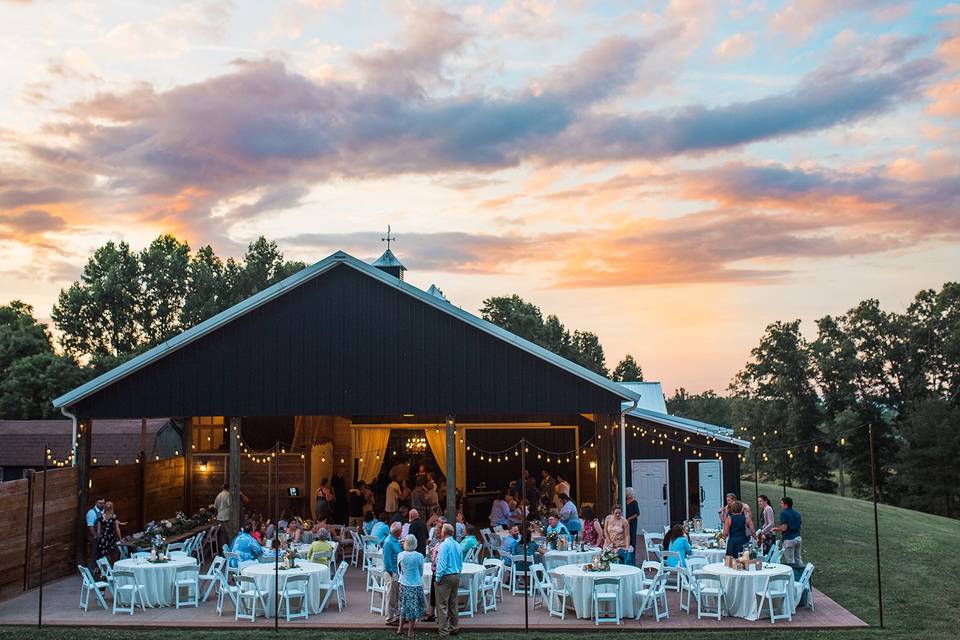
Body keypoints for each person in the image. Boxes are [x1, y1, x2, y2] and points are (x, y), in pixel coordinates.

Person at [434, 523, 462, 637]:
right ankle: (454, 627)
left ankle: (444, 631)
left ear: (443, 533)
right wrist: (458, 572)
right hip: (456, 575)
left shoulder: (444, 545)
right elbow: (461, 562)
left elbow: (442, 563)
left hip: (446, 576)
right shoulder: (457, 544)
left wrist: (437, 578)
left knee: (441, 605)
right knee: (453, 603)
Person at [397, 534, 425, 638]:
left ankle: (400, 628)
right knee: (413, 609)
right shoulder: (419, 556)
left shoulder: (400, 555)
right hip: (415, 584)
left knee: (403, 606)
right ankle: (410, 631)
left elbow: (400, 570)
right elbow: (421, 571)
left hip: (404, 583)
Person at [382, 522, 403, 625]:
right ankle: (389, 618)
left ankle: (395, 615)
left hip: (397, 571)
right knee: (391, 595)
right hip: (392, 572)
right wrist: (392, 573)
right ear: (398, 532)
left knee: (396, 594)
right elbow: (387, 561)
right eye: (401, 529)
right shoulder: (389, 542)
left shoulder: (396, 540)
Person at [775, 496, 803, 565]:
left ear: (786, 504)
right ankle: (802, 574)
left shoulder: (784, 513)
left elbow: (784, 528)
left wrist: (776, 529)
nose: (780, 504)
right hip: (798, 538)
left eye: (781, 503)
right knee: (798, 559)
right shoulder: (797, 514)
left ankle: (793, 575)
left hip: (789, 539)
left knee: (790, 561)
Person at [85, 497, 105, 569]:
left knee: (102, 554)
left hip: (103, 536)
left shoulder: (104, 511)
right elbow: (90, 525)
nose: (102, 505)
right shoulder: (91, 512)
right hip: (95, 536)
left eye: (103, 503)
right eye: (100, 503)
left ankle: (102, 570)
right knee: (94, 554)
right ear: (96, 503)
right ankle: (94, 570)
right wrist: (95, 536)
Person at [214, 484, 233, 548]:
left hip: (219, 517)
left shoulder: (219, 495)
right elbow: (230, 505)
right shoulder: (228, 494)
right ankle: (229, 549)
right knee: (229, 534)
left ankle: (222, 550)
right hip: (226, 517)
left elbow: (215, 506)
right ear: (228, 488)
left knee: (222, 535)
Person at [625, 488, 640, 560]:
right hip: (625, 522)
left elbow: (637, 513)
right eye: (627, 494)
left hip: (632, 522)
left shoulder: (634, 502)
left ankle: (633, 556)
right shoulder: (624, 501)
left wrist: (630, 518)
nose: (628, 495)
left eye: (630, 494)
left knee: (632, 538)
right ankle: (627, 554)